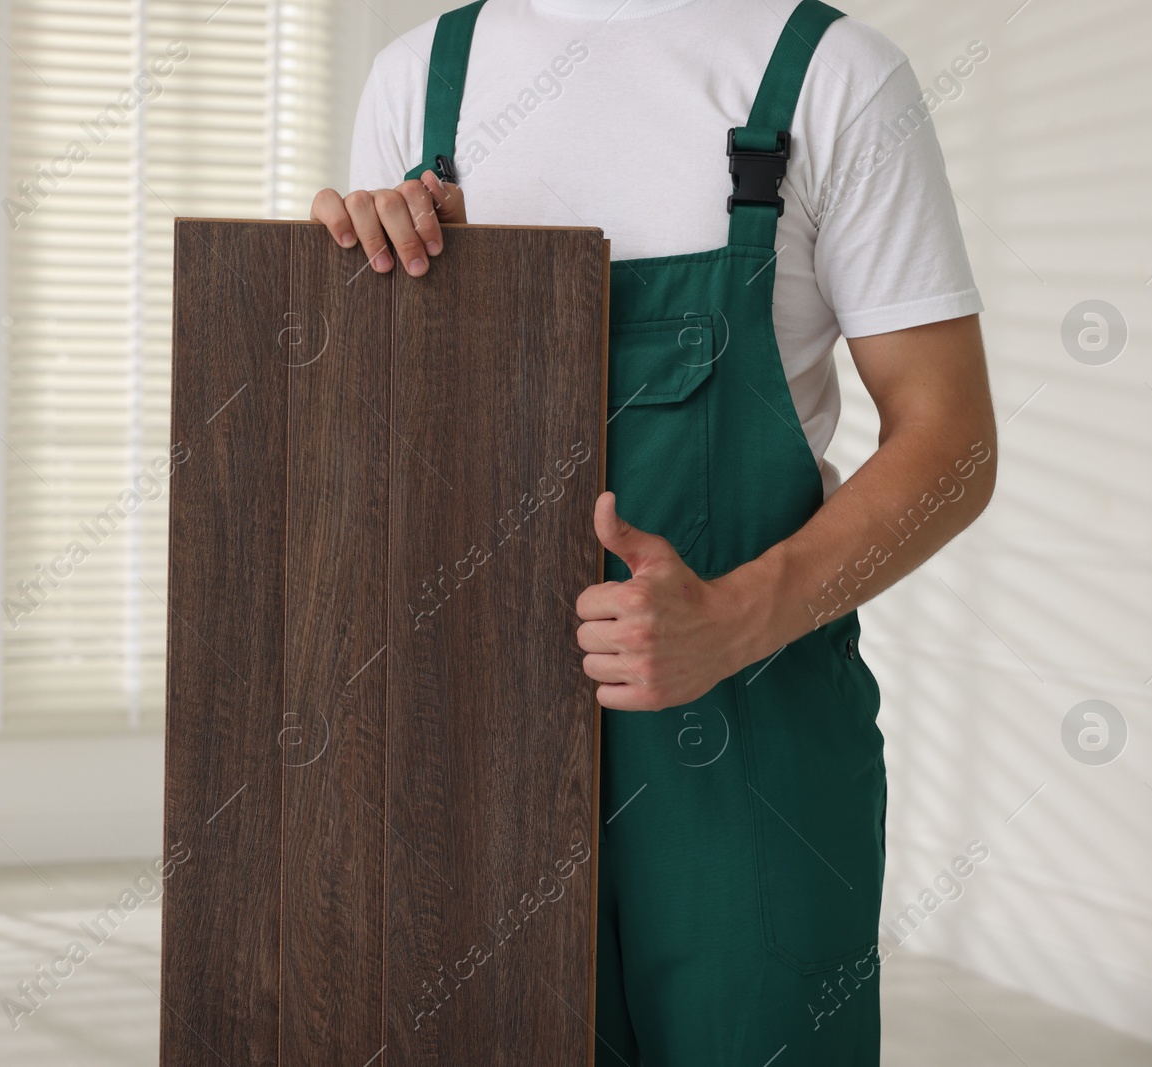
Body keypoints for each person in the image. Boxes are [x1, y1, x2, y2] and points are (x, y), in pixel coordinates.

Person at [310, 0, 995, 1062]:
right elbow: (376, 445)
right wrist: (368, 286)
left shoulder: (829, 74)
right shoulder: (419, 81)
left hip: (752, 756)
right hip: (470, 746)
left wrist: (728, 619)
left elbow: (950, 443)